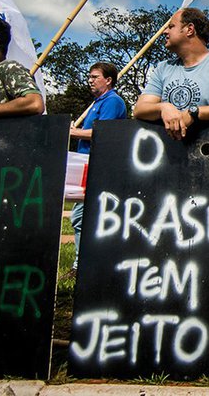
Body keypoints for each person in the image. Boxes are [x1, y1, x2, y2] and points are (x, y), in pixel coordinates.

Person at [133, 7, 209, 138]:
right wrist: (163, 107)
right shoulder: (163, 68)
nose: (165, 32)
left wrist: (194, 113)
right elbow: (140, 109)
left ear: (189, 29)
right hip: (170, 153)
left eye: (171, 26)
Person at [67, 62, 127, 275]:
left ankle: (82, 266)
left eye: (94, 77)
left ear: (108, 80)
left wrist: (74, 133)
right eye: (89, 76)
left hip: (99, 165)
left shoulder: (112, 101)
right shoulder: (97, 102)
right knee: (82, 216)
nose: (90, 80)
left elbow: (103, 132)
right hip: (86, 165)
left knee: (82, 216)